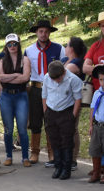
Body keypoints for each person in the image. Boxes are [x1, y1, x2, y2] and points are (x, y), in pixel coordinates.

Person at [25, 20, 66, 164]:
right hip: (35, 88)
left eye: (46, 31)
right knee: (35, 121)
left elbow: (64, 69)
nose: (43, 34)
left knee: (52, 121)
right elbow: (25, 70)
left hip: (53, 89)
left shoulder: (59, 48)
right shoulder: (29, 50)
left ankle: (52, 152)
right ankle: (34, 152)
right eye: (41, 31)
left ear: (50, 33)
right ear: (36, 32)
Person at [42, 60, 82, 180]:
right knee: (54, 140)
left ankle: (66, 168)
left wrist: (73, 116)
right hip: (51, 111)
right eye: (53, 79)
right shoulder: (47, 78)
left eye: (58, 78)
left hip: (66, 112)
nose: (56, 81)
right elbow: (44, 95)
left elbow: (77, 99)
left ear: (64, 72)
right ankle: (58, 166)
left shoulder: (73, 79)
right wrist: (46, 112)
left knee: (67, 142)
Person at [0, 33, 31, 167]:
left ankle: (25, 157)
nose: (12, 46)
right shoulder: (2, 60)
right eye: (9, 44)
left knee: (22, 128)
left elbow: (25, 78)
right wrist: (16, 75)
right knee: (8, 128)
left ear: (18, 44)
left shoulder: (25, 59)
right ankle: (9, 155)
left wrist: (8, 77)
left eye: (14, 44)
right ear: (6, 46)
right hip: (6, 95)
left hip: (21, 95)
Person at [63, 36, 87, 171]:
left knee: (72, 129)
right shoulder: (67, 61)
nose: (65, 48)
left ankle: (72, 159)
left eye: (67, 45)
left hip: (73, 101)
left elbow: (58, 75)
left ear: (71, 48)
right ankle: (66, 157)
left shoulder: (76, 63)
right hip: (64, 101)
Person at [88, 64, 104, 183]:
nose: (103, 83)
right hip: (97, 125)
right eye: (101, 79)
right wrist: (91, 125)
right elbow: (93, 109)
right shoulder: (97, 93)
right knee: (95, 149)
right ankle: (96, 172)